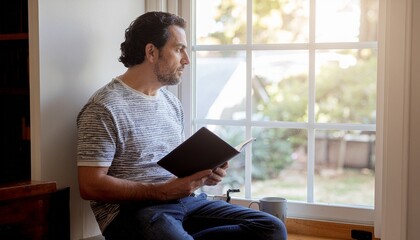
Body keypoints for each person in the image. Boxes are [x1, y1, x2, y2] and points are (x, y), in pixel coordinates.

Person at [77, 11, 287, 240]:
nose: (186, 59)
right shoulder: (104, 107)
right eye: (178, 50)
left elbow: (176, 169)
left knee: (272, 228)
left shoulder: (170, 102)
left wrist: (203, 175)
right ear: (151, 52)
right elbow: (90, 185)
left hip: (187, 203)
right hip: (134, 213)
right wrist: (160, 192)